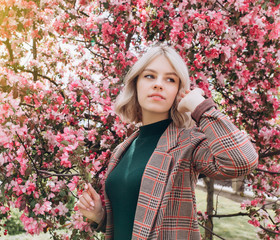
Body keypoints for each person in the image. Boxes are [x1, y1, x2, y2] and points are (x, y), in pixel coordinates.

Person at [76, 44, 258, 240]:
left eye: (170, 79)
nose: (158, 84)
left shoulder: (189, 143)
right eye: (149, 76)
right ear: (136, 84)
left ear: (179, 92)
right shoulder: (123, 148)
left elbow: (242, 161)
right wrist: (101, 217)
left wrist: (201, 108)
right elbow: (132, 221)